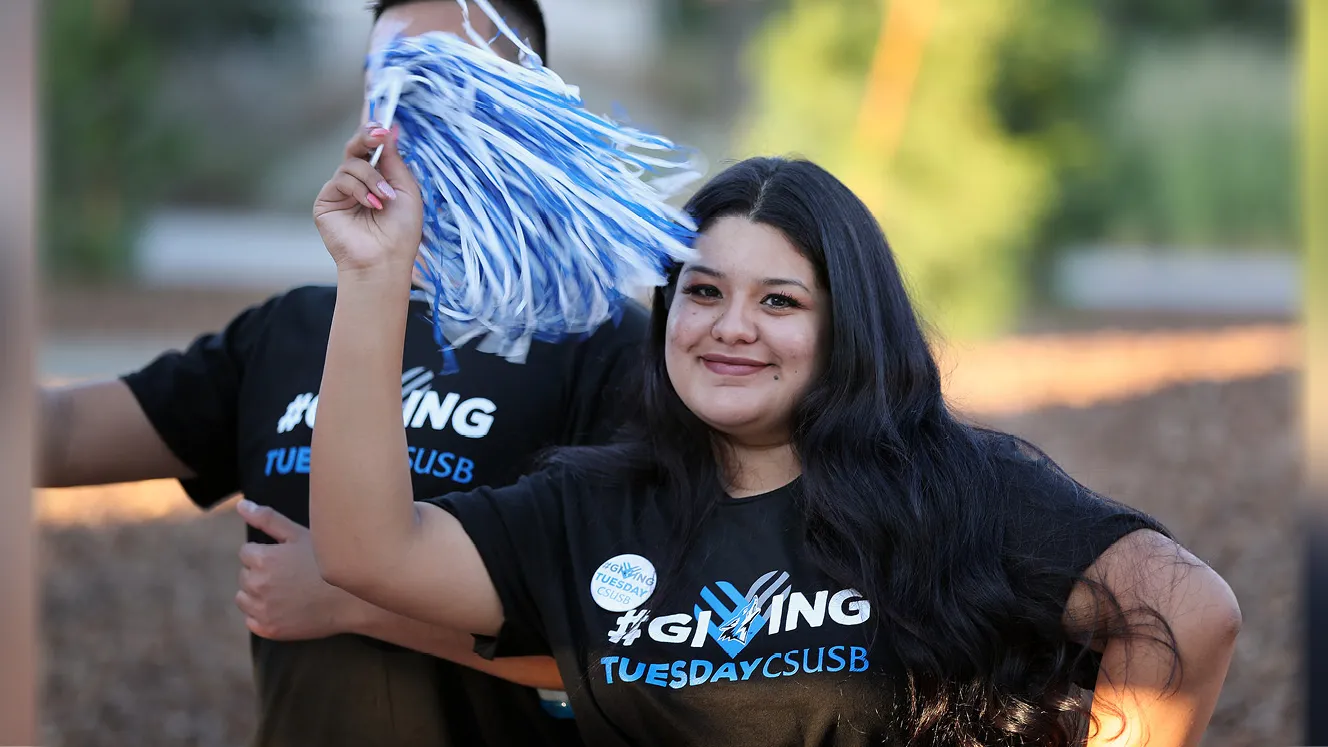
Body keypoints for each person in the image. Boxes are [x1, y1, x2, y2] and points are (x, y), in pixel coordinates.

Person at [306, 141, 1243, 746]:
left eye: (779, 301)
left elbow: (1188, 609)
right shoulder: (589, 507)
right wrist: (373, 275)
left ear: (848, 328)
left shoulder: (955, 489)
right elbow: (367, 549)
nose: (730, 327)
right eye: (704, 292)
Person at [36, 2, 647, 746]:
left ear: (530, 99)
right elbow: (57, 434)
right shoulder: (291, 329)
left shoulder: (609, 349)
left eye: (440, 77)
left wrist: (354, 598)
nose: (401, 108)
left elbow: (640, 656)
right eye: (383, 81)